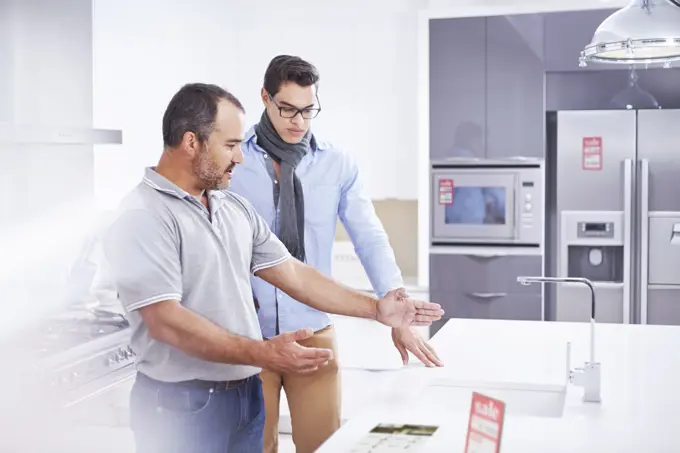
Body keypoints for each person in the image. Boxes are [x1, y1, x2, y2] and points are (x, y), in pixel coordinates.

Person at [101, 83, 444, 453]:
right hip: (182, 405)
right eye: (231, 145)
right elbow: (164, 319)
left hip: (244, 396)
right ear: (191, 142)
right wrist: (260, 353)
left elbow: (293, 274)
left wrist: (375, 308)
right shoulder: (143, 216)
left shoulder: (233, 209)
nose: (241, 157)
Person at [228, 55, 444, 453]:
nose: (299, 122)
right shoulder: (233, 161)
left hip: (313, 329)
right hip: (246, 332)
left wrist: (394, 303)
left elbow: (369, 235)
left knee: (324, 445)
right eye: (288, 109)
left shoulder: (337, 163)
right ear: (265, 97)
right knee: (255, 447)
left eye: (309, 110)